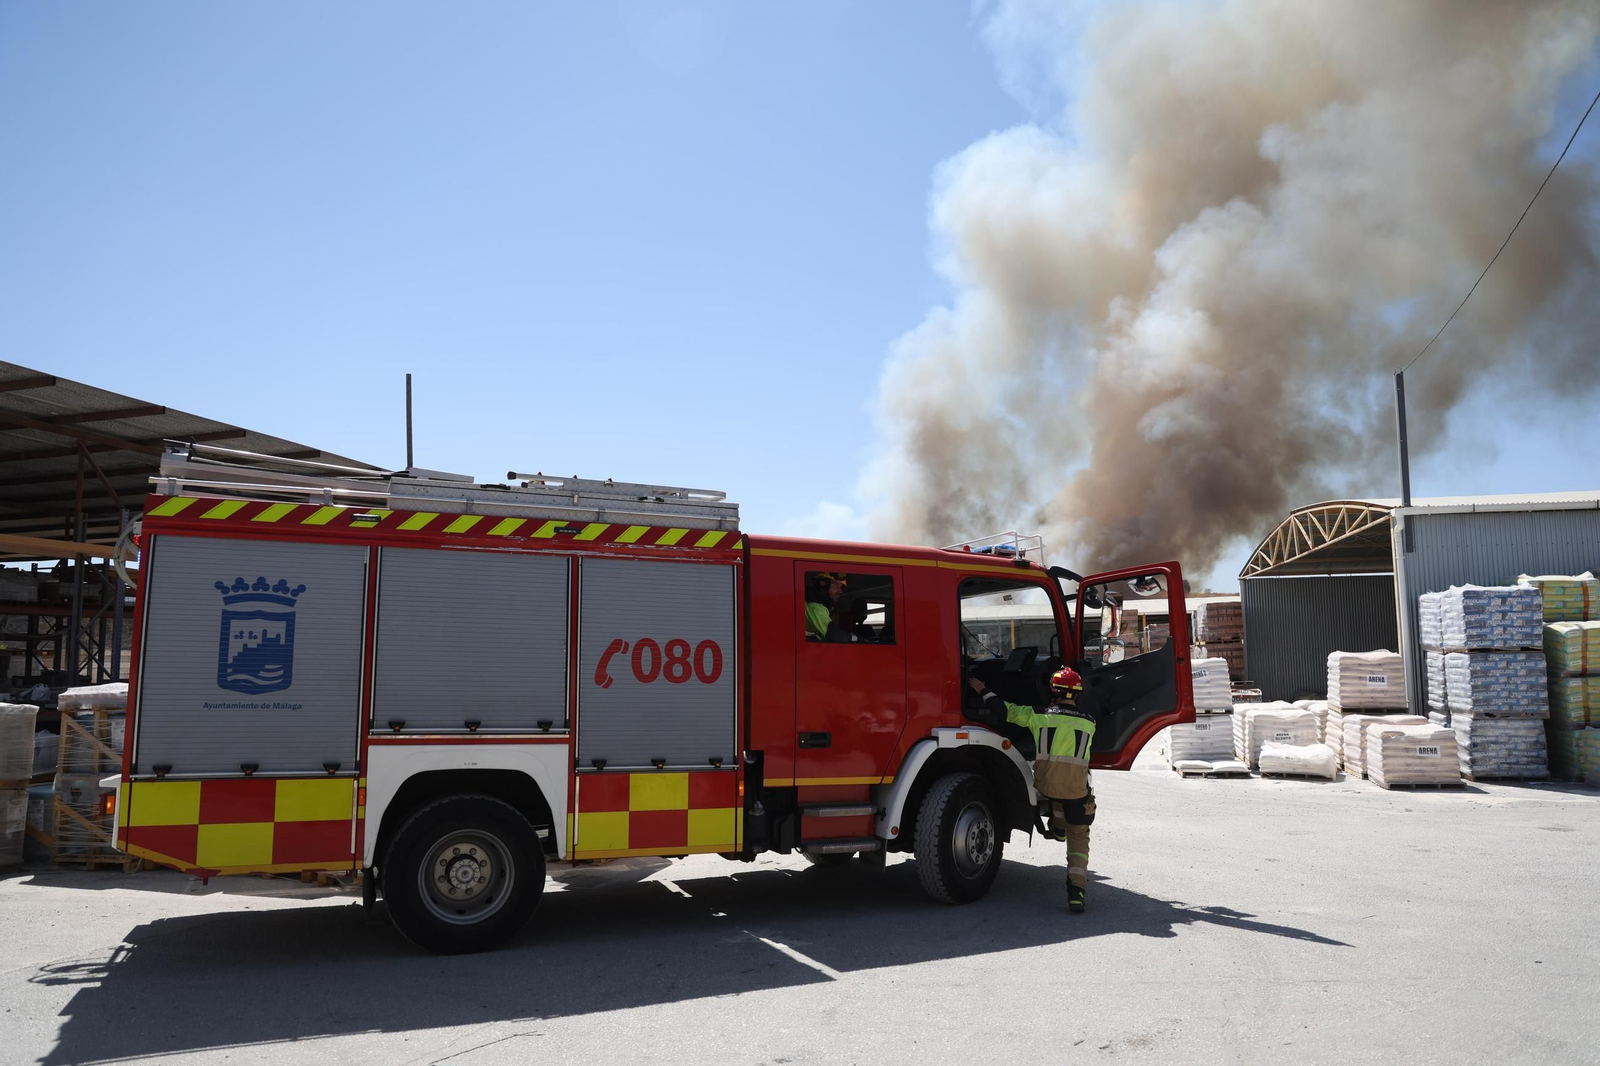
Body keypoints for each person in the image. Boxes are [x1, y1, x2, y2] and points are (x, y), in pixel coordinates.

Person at [966, 667, 1096, 913]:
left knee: (1057, 791)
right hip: (1075, 791)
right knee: (1079, 836)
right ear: (1078, 693)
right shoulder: (1090, 723)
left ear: (1053, 691)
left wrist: (983, 689)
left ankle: (1058, 829)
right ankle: (1076, 891)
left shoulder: (1040, 716)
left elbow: (1005, 711)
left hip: (1044, 786)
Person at [804, 573, 846, 641]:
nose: (840, 591)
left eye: (841, 587)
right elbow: (833, 635)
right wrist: (858, 639)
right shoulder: (814, 607)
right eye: (836, 586)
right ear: (823, 585)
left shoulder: (822, 605)